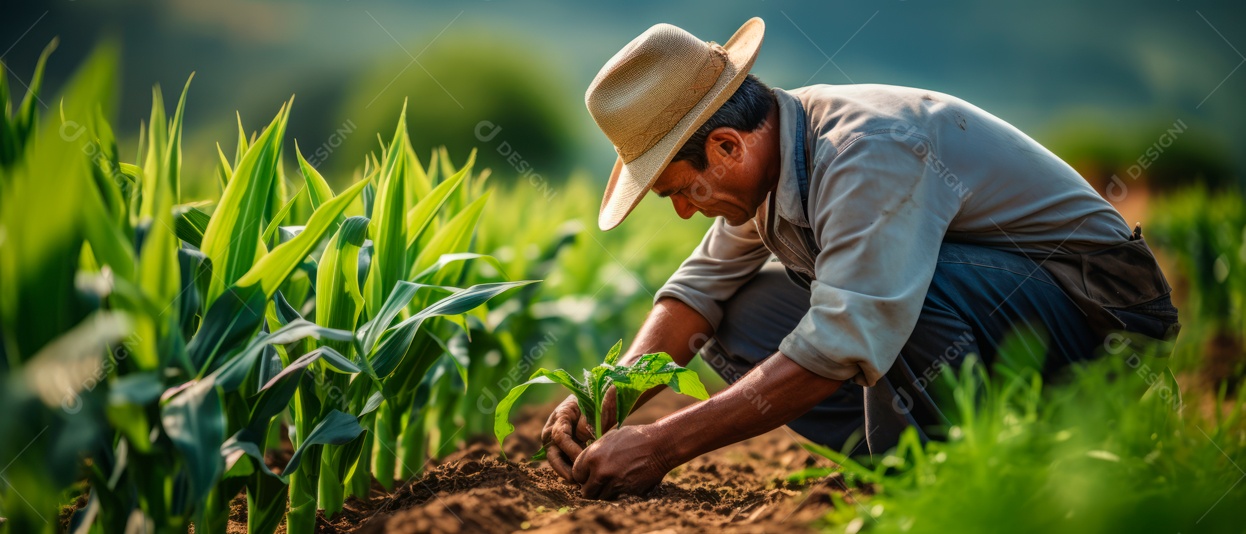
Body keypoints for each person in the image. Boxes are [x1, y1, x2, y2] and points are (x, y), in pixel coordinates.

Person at [541, 17, 1180, 500]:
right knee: (741, 311)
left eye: (679, 190)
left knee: (881, 293)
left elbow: (849, 333)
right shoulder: (769, 162)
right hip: (1004, 308)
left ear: (728, 146)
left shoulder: (865, 152)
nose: (683, 210)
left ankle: (966, 469)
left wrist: (663, 444)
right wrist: (611, 394)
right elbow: (697, 292)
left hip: (1098, 326)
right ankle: (916, 464)